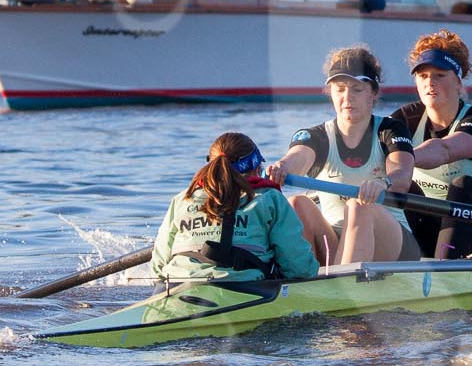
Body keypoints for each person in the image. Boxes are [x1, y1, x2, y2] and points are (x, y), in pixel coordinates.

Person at [269, 45, 414, 266]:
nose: (347, 98)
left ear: (373, 93)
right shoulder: (315, 136)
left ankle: (342, 288)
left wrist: (383, 182)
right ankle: (304, 280)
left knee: (358, 206)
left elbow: (402, 175)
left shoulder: (391, 130)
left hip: (393, 244)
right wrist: (283, 166)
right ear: (331, 93)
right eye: (340, 89)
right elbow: (297, 158)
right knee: (298, 202)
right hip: (337, 243)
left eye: (357, 89)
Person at [383, 31, 472, 258]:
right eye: (423, 76)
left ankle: (443, 272)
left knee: (462, 185)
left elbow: (444, 150)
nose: (430, 83)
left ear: (459, 82)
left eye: (440, 75)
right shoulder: (404, 119)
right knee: (403, 188)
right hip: (437, 229)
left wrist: (401, 158)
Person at [151, 131, 319, 283]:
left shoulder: (182, 199)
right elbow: (300, 268)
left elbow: (157, 268)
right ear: (256, 168)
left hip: (176, 283)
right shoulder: (269, 198)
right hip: (245, 287)